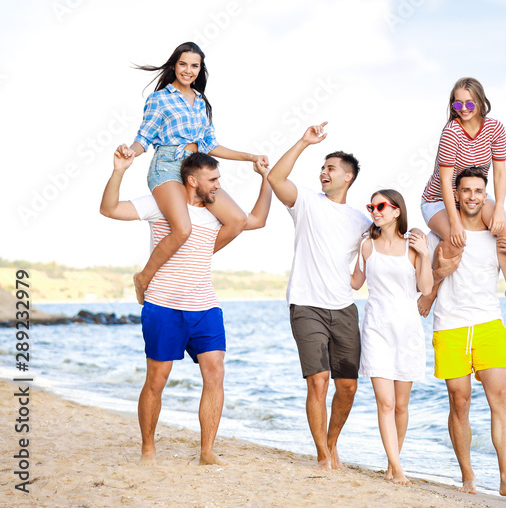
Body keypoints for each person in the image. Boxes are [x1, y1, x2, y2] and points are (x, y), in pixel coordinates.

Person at [99, 148, 273, 466]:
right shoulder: (163, 205)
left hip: (205, 306)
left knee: (215, 373)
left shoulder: (218, 214)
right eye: (213, 179)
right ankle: (148, 450)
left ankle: (207, 451)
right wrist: (119, 171)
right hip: (163, 306)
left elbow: (258, 220)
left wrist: (265, 178)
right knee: (157, 379)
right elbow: (109, 209)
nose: (219, 185)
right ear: (192, 180)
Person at [115, 42, 268, 305]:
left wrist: (250, 156)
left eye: (194, 65)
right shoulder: (160, 98)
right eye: (183, 64)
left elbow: (211, 144)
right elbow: (144, 137)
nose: (188, 70)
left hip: (196, 168)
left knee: (237, 220)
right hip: (167, 167)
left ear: (200, 69)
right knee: (183, 228)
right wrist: (130, 151)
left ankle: (190, 260)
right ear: (174, 65)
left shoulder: (201, 102)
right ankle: (144, 278)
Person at [418, 166, 506, 497]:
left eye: (478, 192)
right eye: (465, 191)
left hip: (488, 325)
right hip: (450, 326)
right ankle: (468, 476)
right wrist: (438, 276)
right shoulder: (437, 236)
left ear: (486, 196)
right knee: (459, 401)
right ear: (456, 195)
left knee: (501, 396)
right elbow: (424, 284)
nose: (471, 197)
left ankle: (505, 476)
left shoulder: (499, 235)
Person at [267, 122, 371, 470]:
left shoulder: (360, 220)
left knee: (348, 388)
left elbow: (390, 239)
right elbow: (276, 179)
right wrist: (303, 142)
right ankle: (323, 456)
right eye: (323, 168)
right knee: (318, 381)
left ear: (348, 177)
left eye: (331, 168)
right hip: (306, 304)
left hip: (344, 308)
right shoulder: (307, 202)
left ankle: (332, 442)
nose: (324, 173)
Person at [420, 77, 506, 325]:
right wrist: (455, 223)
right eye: (458, 105)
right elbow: (446, 182)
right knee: (456, 241)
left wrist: (498, 209)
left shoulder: (495, 129)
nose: (464, 109)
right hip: (438, 199)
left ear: (480, 101)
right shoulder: (451, 132)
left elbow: (499, 173)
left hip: (474, 195)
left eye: (469, 103)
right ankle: (432, 292)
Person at [350, 189, 432, 485]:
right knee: (384, 403)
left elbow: (425, 286)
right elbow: (355, 282)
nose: (375, 210)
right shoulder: (366, 246)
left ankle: (391, 461)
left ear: (397, 210)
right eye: (371, 206)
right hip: (376, 330)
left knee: (400, 406)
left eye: (380, 206)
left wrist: (424, 254)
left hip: (407, 331)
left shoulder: (413, 245)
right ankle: (398, 469)